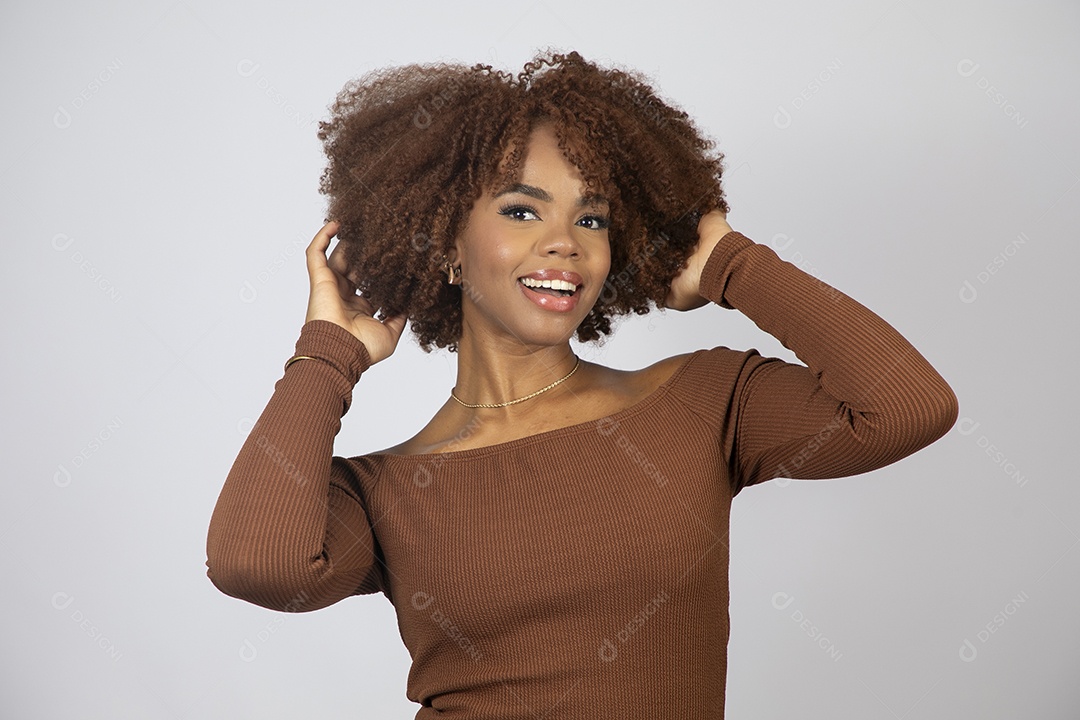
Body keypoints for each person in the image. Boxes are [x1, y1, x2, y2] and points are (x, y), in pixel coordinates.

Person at [205, 50, 958, 719]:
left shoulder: (701, 403)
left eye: (593, 218)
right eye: (521, 209)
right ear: (448, 243)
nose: (564, 241)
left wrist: (730, 262)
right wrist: (331, 352)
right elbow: (255, 564)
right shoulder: (386, 490)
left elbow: (905, 407)